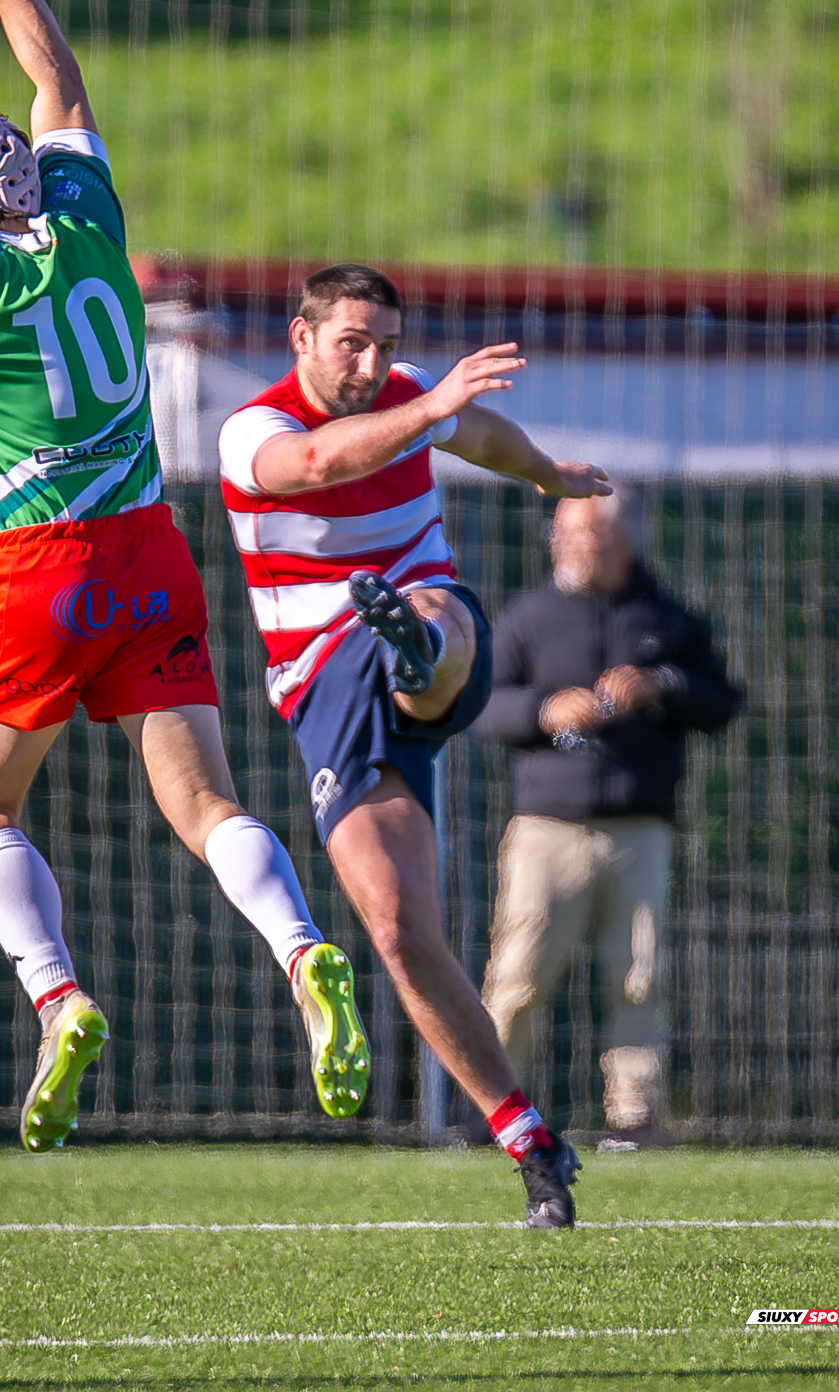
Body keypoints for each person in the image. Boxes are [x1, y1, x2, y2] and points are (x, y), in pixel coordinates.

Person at [0, 0, 369, 1152]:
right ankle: (300, 955)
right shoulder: (86, 225)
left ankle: (58, 997)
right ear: (32, 176)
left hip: (40, 569)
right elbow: (56, 80)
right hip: (150, 548)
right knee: (204, 803)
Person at [218, 263, 610, 1227]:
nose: (372, 361)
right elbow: (318, 468)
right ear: (299, 336)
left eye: (386, 345)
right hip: (322, 691)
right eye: (352, 341)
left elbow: (476, 432)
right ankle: (530, 1144)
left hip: (424, 633)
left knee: (436, 607)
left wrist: (548, 476)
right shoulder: (254, 428)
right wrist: (429, 400)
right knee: (398, 931)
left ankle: (416, 644)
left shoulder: (410, 400)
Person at [477, 485, 740, 1149]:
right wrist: (542, 710)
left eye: (582, 530)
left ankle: (633, 1121)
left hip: (639, 829)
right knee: (518, 976)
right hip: (546, 830)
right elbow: (480, 705)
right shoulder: (531, 616)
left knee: (637, 979)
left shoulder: (667, 619)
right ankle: (494, 1113)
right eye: (559, 530)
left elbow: (721, 703)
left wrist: (663, 684)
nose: (564, 542)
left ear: (621, 538)